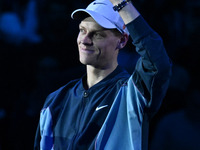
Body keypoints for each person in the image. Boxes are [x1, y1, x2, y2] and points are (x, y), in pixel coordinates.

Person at [34, 0, 172, 149]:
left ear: (122, 40)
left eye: (97, 34)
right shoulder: (56, 100)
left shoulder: (131, 94)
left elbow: (158, 63)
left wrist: (122, 3)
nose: (85, 40)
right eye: (82, 30)